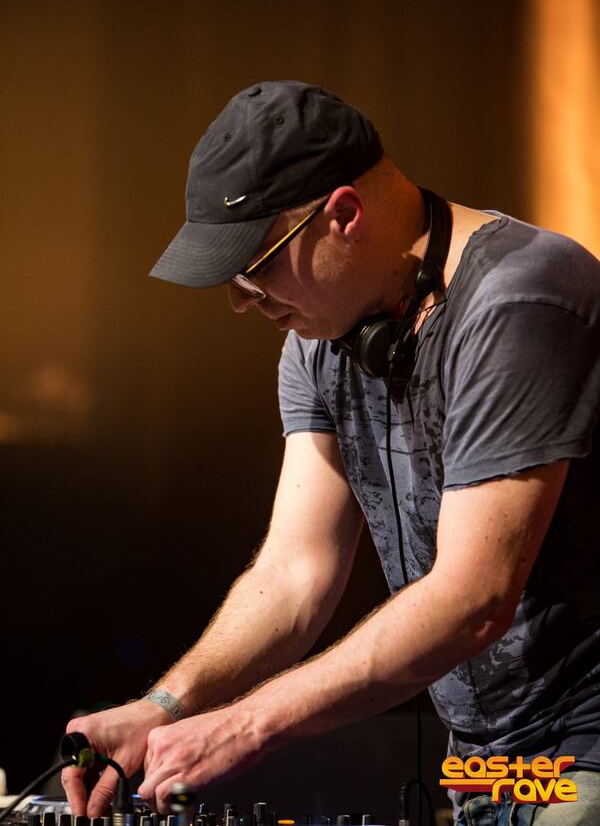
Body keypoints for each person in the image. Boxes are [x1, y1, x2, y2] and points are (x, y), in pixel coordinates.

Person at [62, 81, 600, 825]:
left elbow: (474, 600)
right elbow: (295, 572)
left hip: (583, 752)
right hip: (486, 770)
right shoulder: (318, 342)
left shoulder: (520, 300)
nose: (241, 300)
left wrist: (246, 724)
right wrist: (165, 706)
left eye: (254, 265)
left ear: (343, 215)